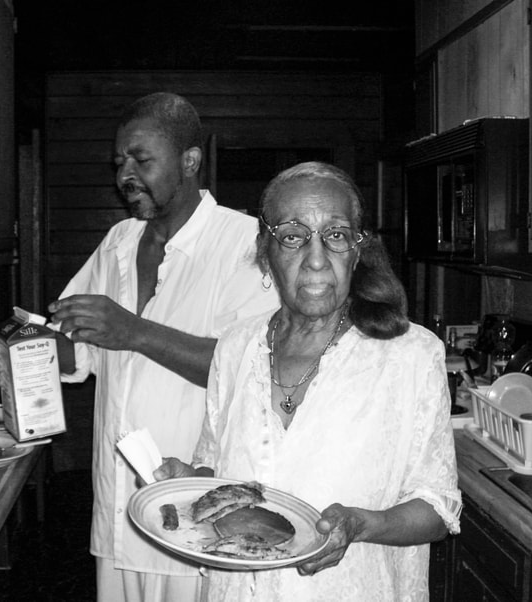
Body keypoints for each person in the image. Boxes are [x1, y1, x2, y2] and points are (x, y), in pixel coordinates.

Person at [154, 161, 462, 601]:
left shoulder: (410, 355)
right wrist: (191, 484)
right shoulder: (236, 348)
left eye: (335, 235)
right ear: (266, 252)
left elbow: (436, 507)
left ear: (357, 250)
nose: (316, 259)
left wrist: (360, 524)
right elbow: (215, 466)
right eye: (293, 236)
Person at [46, 92, 279, 601]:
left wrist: (134, 332)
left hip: (197, 517)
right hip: (117, 512)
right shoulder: (118, 243)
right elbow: (76, 348)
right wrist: (26, 353)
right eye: (119, 162)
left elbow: (253, 372)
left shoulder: (242, 245)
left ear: (190, 161)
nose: (125, 174)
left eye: (142, 160)